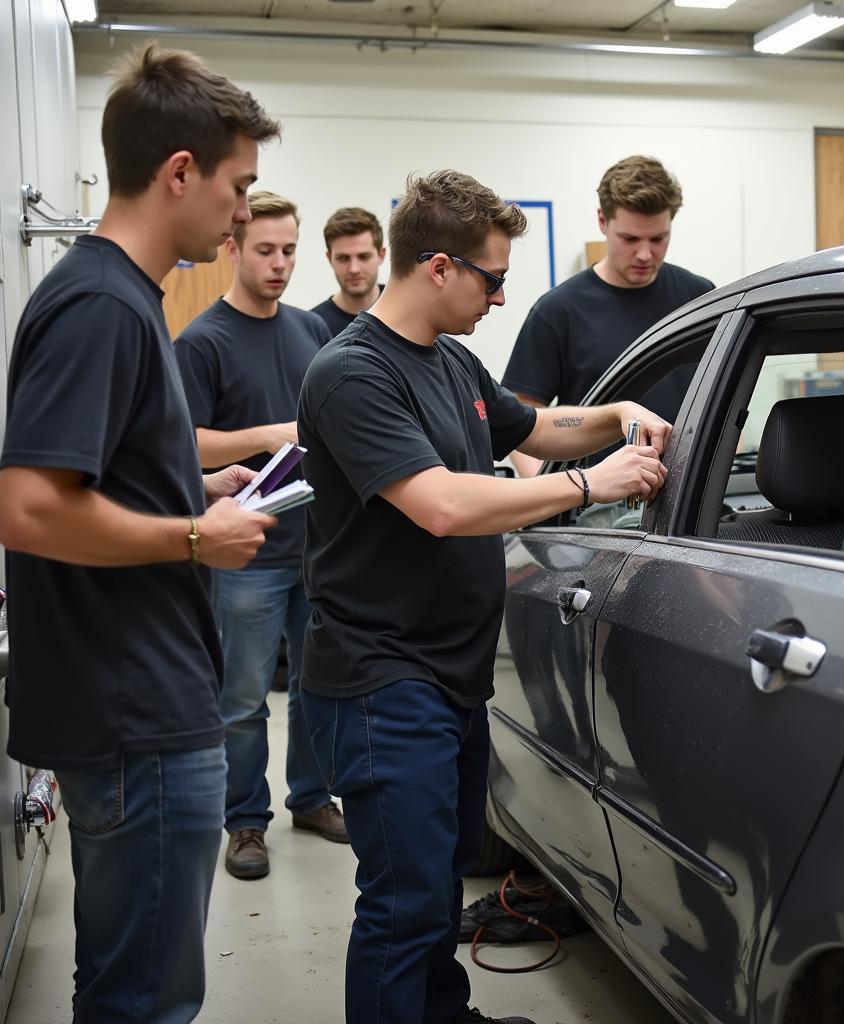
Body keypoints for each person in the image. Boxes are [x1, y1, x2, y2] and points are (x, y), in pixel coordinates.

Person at [297, 168, 671, 1024]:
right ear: (437, 267)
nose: (502, 297)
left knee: (438, 877)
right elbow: (440, 503)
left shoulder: (452, 359)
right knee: (402, 899)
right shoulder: (351, 374)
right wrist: (588, 485)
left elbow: (536, 427)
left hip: (449, 674)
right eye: (492, 278)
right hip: (383, 677)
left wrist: (613, 415)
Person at [0, 45, 279, 1023]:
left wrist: (194, 485)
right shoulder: (101, 307)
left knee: (121, 984)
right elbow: (29, 505)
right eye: (237, 187)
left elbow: (95, 476)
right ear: (178, 173)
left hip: (126, 706)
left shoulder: (115, 300)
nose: (243, 213)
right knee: (144, 1001)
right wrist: (195, 538)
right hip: (136, 715)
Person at [176, 191, 343, 881]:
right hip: (244, 552)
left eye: (289, 252)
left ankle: (309, 797)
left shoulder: (312, 331)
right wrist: (271, 434)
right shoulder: (201, 341)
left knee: (314, 686)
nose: (279, 265)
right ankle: (246, 822)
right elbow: (184, 440)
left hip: (318, 546)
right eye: (265, 251)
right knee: (243, 698)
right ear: (233, 248)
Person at [502, 154, 715, 476]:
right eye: (630, 239)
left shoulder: (700, 297)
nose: (645, 254)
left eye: (658, 239)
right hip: (596, 509)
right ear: (603, 221)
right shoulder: (558, 310)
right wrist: (550, 497)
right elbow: (521, 416)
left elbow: (723, 396)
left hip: (689, 499)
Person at [310, 206, 386, 336]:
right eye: (343, 258)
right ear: (330, 259)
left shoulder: (407, 310)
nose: (354, 269)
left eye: (363, 257)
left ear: (381, 255)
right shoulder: (313, 327)